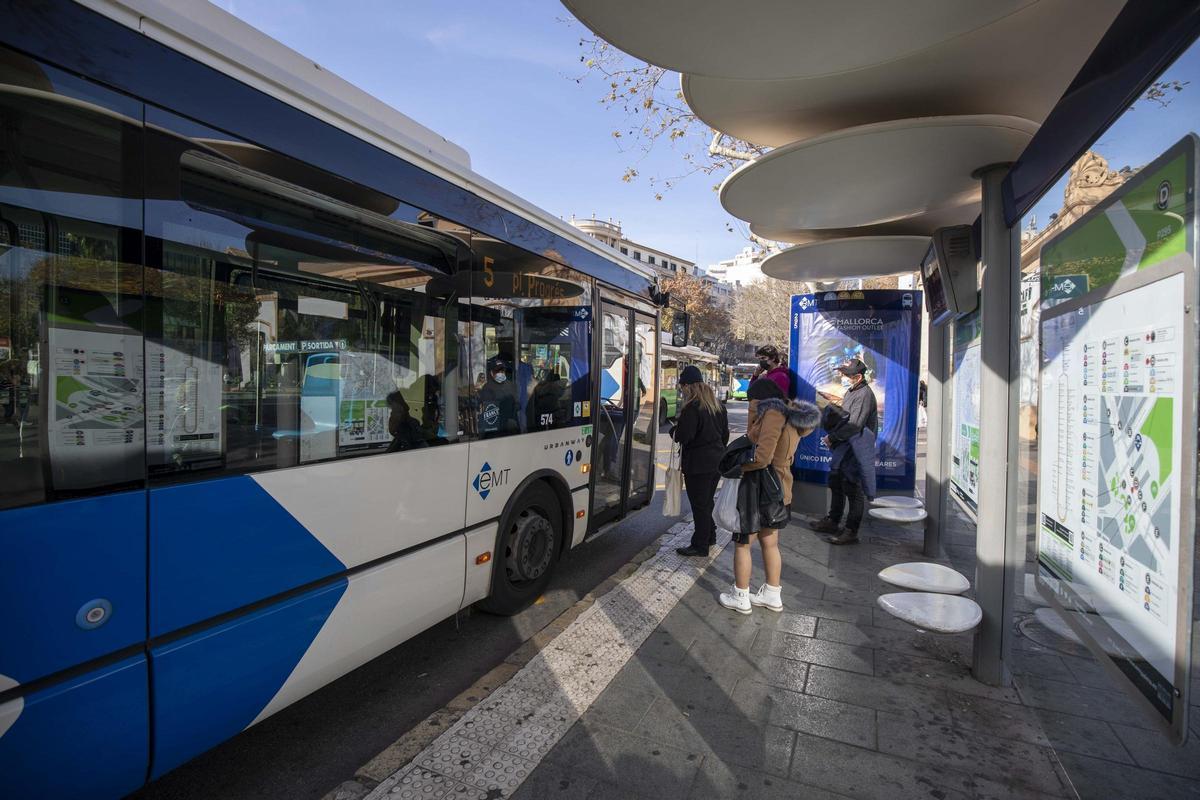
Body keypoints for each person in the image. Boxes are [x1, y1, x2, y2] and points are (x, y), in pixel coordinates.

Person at [719, 378, 819, 614]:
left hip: (760, 489)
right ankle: (772, 594)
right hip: (780, 487)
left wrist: (738, 468)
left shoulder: (773, 414)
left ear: (761, 399)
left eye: (752, 402)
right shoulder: (792, 416)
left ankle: (740, 595)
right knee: (770, 542)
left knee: (743, 542)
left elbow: (763, 457)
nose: (750, 407)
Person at [809, 358, 879, 545]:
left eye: (846, 375)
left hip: (855, 449)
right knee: (836, 482)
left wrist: (832, 437)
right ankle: (833, 521)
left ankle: (851, 530)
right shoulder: (852, 391)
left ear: (857, 377)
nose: (843, 377)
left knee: (852, 488)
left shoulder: (864, 394)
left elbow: (855, 424)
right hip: (845, 446)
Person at [671, 365, 729, 557]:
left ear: (688, 386)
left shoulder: (692, 408)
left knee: (699, 506)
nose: (681, 390)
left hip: (698, 465)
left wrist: (674, 431)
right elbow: (725, 435)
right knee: (706, 503)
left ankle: (700, 545)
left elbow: (684, 436)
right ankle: (710, 536)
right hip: (716, 462)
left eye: (682, 387)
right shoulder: (717, 405)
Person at [477, 355, 519, 437]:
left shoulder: (511, 385)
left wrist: (513, 418)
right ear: (492, 373)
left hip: (510, 429)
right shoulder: (487, 388)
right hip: (494, 431)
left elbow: (517, 404)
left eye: (502, 370)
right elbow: (486, 409)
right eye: (497, 371)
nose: (500, 373)